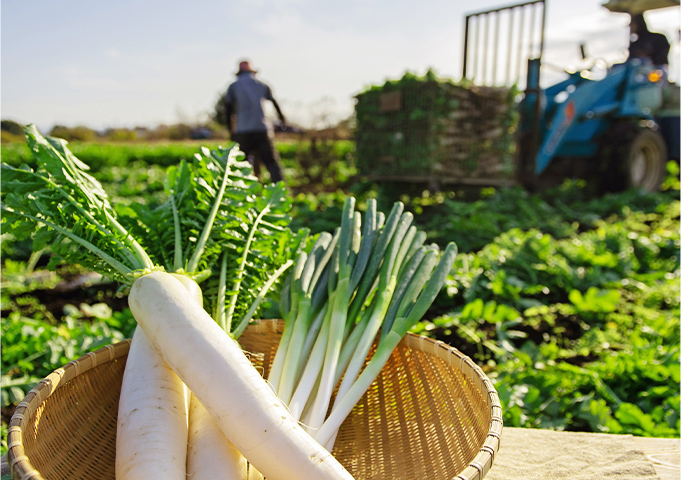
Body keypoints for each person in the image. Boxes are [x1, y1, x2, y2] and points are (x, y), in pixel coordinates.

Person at [223, 60, 286, 183]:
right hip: (262, 128)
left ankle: (243, 193)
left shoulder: (234, 86)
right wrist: (282, 119)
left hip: (243, 130)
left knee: (241, 165)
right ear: (252, 72)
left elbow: (228, 110)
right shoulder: (262, 84)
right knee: (271, 162)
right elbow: (274, 102)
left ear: (239, 73)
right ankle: (282, 191)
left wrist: (230, 130)